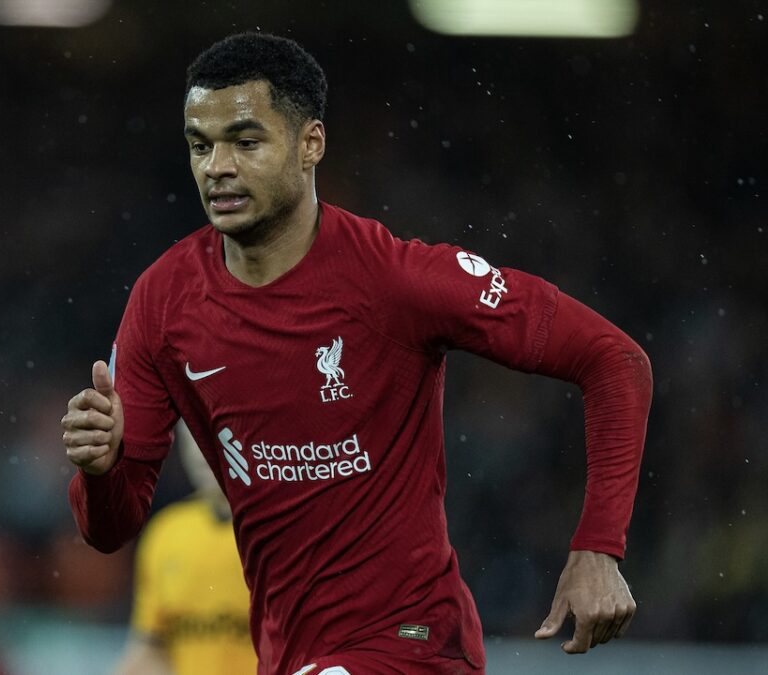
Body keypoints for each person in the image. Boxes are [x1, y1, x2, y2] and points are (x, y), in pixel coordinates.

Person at [61, 32, 652, 674]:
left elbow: (614, 360)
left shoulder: (396, 282)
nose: (216, 166)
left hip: (414, 647)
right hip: (290, 657)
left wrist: (598, 545)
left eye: (245, 141)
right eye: (200, 146)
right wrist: (99, 467)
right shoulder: (165, 299)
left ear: (311, 143)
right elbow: (111, 528)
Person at [114, 421, 256, 675]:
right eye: (190, 435)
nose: (200, 447)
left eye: (211, 432)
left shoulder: (282, 532)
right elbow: (151, 648)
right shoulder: (166, 533)